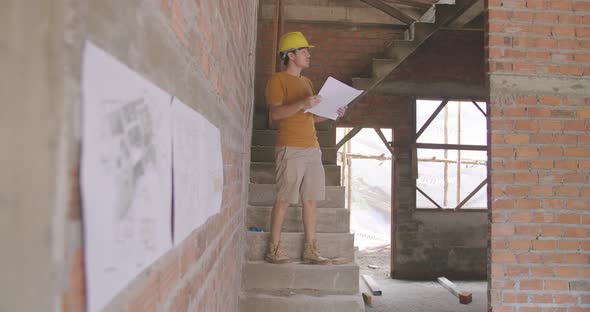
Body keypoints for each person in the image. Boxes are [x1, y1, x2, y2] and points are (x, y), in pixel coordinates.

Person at [264, 32, 346, 265]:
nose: (308, 55)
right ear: (290, 55)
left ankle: (310, 250)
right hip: (290, 147)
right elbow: (275, 114)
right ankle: (274, 249)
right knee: (284, 199)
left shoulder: (307, 83)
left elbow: (311, 117)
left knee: (311, 199)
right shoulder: (277, 81)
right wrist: (302, 103)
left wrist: (333, 114)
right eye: (303, 51)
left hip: (312, 148)